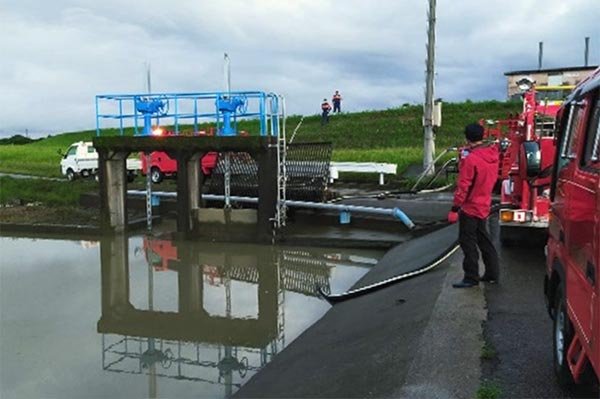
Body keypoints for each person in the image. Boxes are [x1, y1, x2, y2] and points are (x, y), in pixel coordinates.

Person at [447, 123, 500, 288]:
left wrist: (455, 208)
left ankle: (471, 277)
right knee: (485, 240)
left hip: (470, 207)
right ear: (483, 135)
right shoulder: (493, 154)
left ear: (467, 137)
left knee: (467, 242)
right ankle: (492, 273)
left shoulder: (471, 159)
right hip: (484, 203)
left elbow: (464, 186)